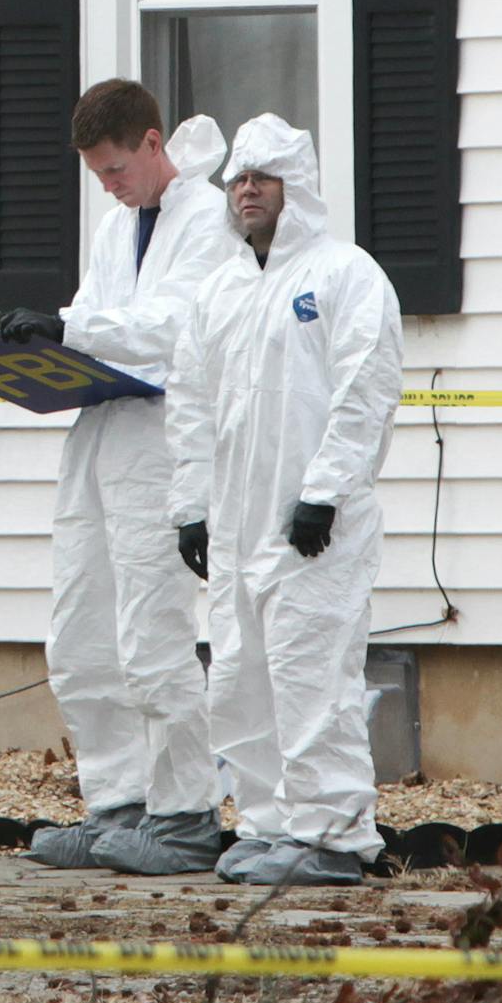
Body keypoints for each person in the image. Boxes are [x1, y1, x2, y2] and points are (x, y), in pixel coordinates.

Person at [0, 79, 241, 875]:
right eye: (96, 174)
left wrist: (70, 329)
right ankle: (115, 806)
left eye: (115, 168)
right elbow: (99, 323)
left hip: (161, 440)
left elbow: (173, 328)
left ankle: (184, 814)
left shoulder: (208, 219)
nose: (108, 185)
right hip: (99, 434)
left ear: (152, 142)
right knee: (81, 633)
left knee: (152, 632)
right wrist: (42, 347)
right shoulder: (115, 228)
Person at [164, 114, 405, 886]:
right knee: (242, 679)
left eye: (262, 178)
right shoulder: (220, 291)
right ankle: (270, 824)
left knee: (311, 673)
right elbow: (190, 403)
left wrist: (326, 491)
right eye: (238, 178)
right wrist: (190, 506)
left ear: (294, 186)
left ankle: (332, 834)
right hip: (236, 526)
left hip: (312, 527)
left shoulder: (344, 274)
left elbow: (366, 387)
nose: (247, 190)